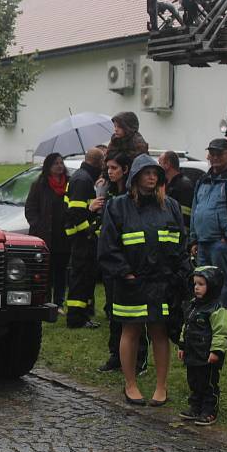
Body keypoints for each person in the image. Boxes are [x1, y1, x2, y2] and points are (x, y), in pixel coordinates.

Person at [98, 154, 190, 406]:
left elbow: (180, 241)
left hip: (163, 282)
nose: (152, 177)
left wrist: (181, 274)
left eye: (156, 174)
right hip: (132, 282)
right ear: (136, 177)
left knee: (160, 331)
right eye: (147, 173)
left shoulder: (169, 205)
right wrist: (125, 272)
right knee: (131, 330)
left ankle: (162, 387)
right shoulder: (118, 206)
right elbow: (107, 246)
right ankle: (130, 384)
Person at [189, 138, 227, 343]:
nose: (214, 157)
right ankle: (207, 326)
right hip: (203, 242)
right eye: (212, 153)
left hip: (223, 244)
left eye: (219, 153)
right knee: (204, 285)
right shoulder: (204, 180)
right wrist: (194, 239)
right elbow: (196, 209)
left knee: (225, 287)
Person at [96, 153, 148, 374]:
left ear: (127, 170)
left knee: (137, 316)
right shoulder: (107, 191)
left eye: (114, 167)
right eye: (108, 167)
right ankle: (116, 354)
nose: (110, 171)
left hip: (132, 263)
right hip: (112, 263)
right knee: (113, 311)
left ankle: (139, 358)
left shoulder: (131, 197)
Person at [178, 265, 227, 426]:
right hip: (192, 352)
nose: (196, 288)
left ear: (213, 286)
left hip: (207, 355)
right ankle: (195, 406)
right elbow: (186, 326)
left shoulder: (217, 310)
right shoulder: (193, 305)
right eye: (195, 284)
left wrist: (216, 351)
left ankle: (209, 409)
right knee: (193, 380)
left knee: (208, 383)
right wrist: (182, 345)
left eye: (201, 284)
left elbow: (221, 333)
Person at [64, 147, 106, 328]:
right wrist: (88, 232)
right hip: (82, 239)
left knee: (85, 277)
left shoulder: (84, 177)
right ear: (97, 162)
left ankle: (83, 315)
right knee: (80, 277)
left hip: (84, 238)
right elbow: (76, 212)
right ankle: (75, 318)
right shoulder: (82, 180)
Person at [25, 153, 70, 310]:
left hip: (63, 235)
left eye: (61, 163)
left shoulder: (69, 184)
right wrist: (37, 225)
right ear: (48, 167)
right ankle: (46, 301)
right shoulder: (40, 184)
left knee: (61, 270)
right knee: (46, 271)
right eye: (55, 163)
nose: (59, 166)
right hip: (45, 235)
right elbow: (30, 208)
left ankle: (59, 303)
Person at [159, 150, 194, 229]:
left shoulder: (184, 186)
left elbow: (185, 215)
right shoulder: (165, 184)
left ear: (167, 164)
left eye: (159, 163)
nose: (157, 167)